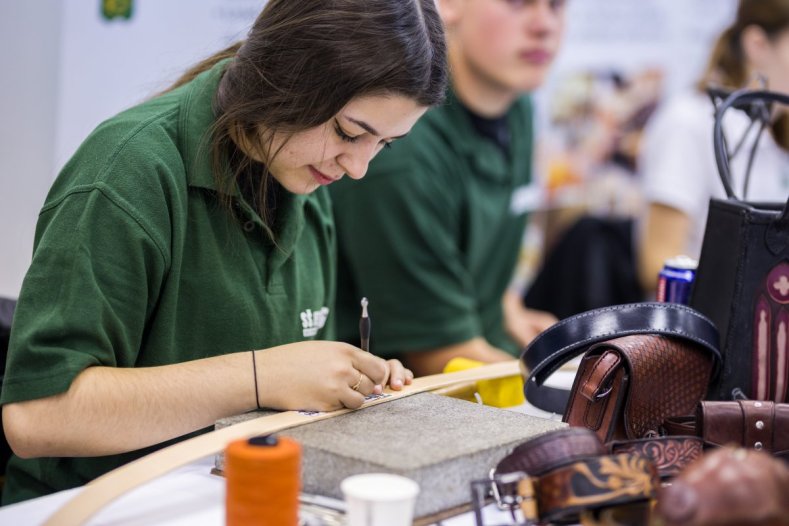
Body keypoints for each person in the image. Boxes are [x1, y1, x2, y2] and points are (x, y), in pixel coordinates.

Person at [0, 0, 447, 504]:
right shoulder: (128, 175)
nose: (359, 166)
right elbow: (38, 415)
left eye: (384, 144)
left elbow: (292, 401)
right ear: (288, 77)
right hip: (90, 509)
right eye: (349, 132)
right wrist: (262, 376)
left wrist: (341, 380)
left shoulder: (305, 180)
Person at [329, 0, 566, 376]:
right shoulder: (402, 151)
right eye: (518, 3)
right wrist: (577, 384)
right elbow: (438, 355)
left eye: (557, 5)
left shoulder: (516, 107)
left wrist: (507, 309)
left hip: (485, 352)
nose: (545, 26)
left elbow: (469, 244)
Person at [638, 0, 789, 293]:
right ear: (757, 44)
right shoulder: (689, 123)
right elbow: (657, 263)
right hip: (708, 332)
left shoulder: (774, 135)